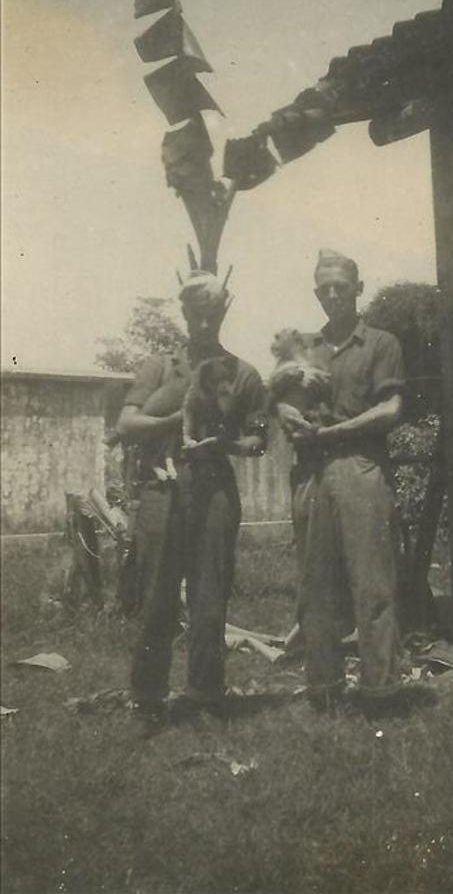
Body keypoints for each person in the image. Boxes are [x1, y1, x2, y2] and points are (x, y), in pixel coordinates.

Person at [116, 270, 267, 726]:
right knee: (157, 594)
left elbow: (258, 440)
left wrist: (227, 445)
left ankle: (205, 694)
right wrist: (175, 421)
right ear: (183, 313)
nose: (204, 322)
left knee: (209, 596)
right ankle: (148, 696)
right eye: (195, 313)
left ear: (223, 312)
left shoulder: (242, 373)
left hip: (214, 488)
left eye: (212, 313)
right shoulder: (160, 367)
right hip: (163, 488)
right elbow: (127, 424)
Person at [276, 249, 406, 711]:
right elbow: (281, 400)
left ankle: (381, 692)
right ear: (317, 293)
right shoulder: (304, 348)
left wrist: (333, 431)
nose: (333, 294)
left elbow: (392, 408)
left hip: (360, 466)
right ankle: (324, 691)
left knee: (372, 585)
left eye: (341, 286)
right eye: (324, 287)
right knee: (316, 588)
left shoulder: (380, 343)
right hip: (311, 471)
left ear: (358, 289)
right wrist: (286, 412)